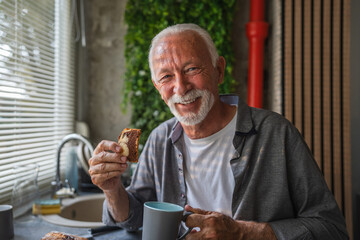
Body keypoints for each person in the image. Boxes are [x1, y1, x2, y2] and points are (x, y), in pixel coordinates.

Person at [88, 23, 349, 239]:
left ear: (219, 70)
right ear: (158, 88)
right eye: (166, 77)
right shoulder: (160, 140)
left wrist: (242, 232)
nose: (181, 87)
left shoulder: (276, 134)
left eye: (192, 69)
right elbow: (134, 218)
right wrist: (112, 190)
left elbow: (331, 229)